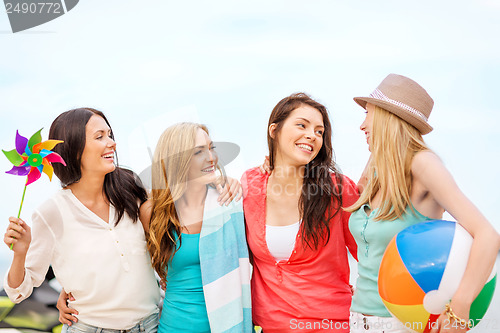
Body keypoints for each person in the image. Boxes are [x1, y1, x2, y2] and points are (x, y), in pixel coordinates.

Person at [347, 74, 500, 333]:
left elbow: (488, 235)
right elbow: (342, 198)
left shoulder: (423, 164)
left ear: (388, 117)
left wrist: (460, 307)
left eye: (367, 114)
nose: (362, 125)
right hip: (357, 320)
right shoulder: (376, 165)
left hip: (402, 324)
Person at [3, 108, 160, 332]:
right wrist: (20, 253)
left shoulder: (131, 190)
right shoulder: (52, 212)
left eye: (110, 134)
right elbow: (19, 291)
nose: (112, 143)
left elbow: (171, 222)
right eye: (99, 137)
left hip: (150, 325)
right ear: (74, 149)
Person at [242, 93, 359, 333]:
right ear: (274, 130)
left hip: (332, 324)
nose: (312, 136)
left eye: (319, 131)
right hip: (266, 326)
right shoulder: (249, 184)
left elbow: (369, 252)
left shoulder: (337, 188)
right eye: (302, 125)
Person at [140, 122, 252, 333]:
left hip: (229, 326)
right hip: (174, 327)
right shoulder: (152, 212)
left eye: (211, 148)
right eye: (199, 151)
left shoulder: (230, 202)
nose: (212, 157)